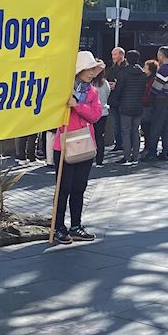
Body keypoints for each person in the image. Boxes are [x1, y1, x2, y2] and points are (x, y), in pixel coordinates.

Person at [52, 51, 104, 244]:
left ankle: (76, 225)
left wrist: (78, 106)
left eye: (93, 69)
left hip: (85, 146)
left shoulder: (93, 91)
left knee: (79, 188)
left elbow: (96, 115)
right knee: (63, 188)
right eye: (88, 69)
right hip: (64, 145)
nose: (92, 73)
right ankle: (58, 226)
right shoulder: (62, 91)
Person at [143, 45, 168, 162]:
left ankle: (152, 152)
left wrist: (149, 98)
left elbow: (156, 88)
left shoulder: (163, 69)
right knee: (165, 128)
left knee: (155, 128)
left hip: (161, 101)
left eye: (159, 55)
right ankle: (165, 151)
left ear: (161, 56)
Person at [111, 48, 145, 165]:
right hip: (138, 105)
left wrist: (115, 100)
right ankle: (135, 156)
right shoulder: (142, 73)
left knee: (125, 131)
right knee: (136, 131)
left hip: (125, 105)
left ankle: (127, 156)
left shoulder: (123, 73)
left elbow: (118, 90)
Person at [106, 47, 128, 158]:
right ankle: (118, 143)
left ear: (121, 55)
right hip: (113, 99)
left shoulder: (126, 68)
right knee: (115, 124)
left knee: (124, 124)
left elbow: (127, 83)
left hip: (123, 100)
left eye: (115, 55)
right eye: (112, 54)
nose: (113, 57)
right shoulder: (112, 68)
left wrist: (117, 85)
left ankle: (125, 144)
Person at [92, 64, 111, 166]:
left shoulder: (91, 84)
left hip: (91, 113)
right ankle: (100, 158)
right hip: (103, 112)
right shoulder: (105, 83)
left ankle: (91, 156)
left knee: (92, 136)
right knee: (100, 136)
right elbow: (108, 94)